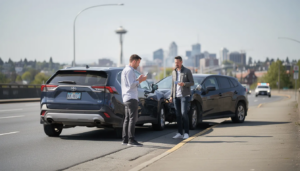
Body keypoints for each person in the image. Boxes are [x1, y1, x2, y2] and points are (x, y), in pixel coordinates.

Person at [121, 54, 147, 146]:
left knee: (127, 119)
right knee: (132, 119)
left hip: (127, 97)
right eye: (138, 63)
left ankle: (125, 139)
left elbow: (130, 82)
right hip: (131, 97)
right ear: (134, 61)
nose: (138, 65)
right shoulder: (129, 70)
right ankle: (131, 140)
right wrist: (141, 80)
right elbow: (131, 85)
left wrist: (137, 79)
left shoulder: (126, 70)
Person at [169, 56, 194, 139]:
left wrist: (184, 84)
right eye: (175, 62)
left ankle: (186, 133)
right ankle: (180, 132)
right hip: (176, 96)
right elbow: (173, 85)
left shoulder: (187, 71)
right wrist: (171, 96)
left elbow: (192, 82)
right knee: (178, 115)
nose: (176, 64)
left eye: (177, 62)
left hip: (184, 95)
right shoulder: (174, 72)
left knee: (184, 113)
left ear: (181, 62)